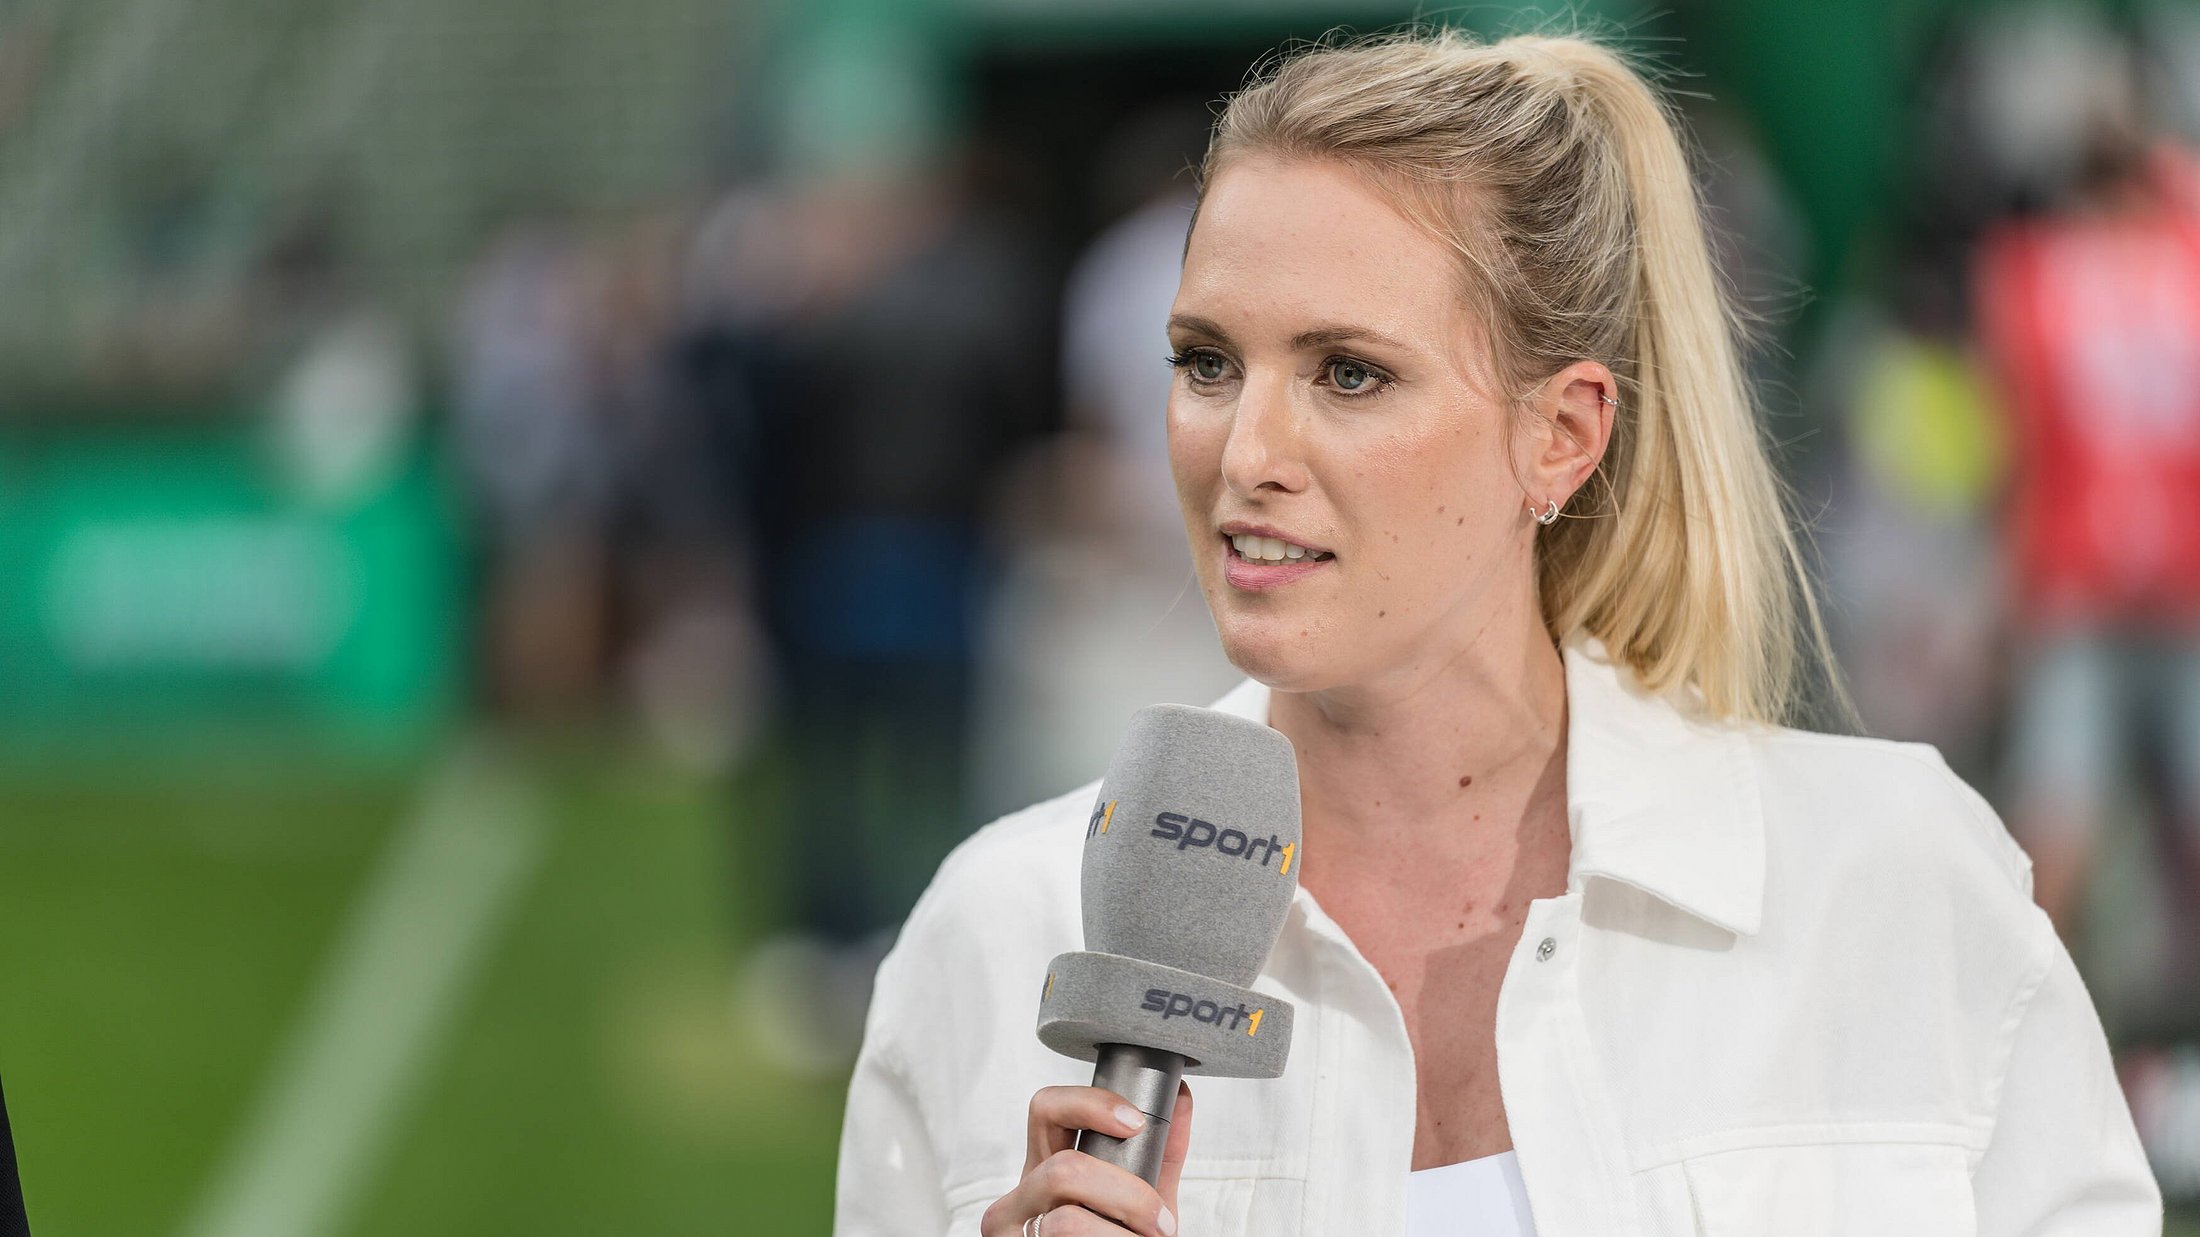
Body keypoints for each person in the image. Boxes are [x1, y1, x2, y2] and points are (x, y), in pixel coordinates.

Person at [834, 29, 2160, 1236]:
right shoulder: (997, 934)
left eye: (1348, 372)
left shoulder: (1892, 881)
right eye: (1206, 361)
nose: (1246, 451)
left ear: (1562, 434)